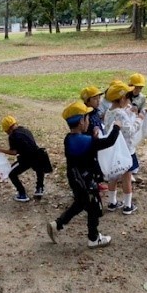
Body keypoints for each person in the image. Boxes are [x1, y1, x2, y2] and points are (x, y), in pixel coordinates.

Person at [46, 101, 123, 249]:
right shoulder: (85, 141)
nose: (88, 121)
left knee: (81, 203)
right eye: (87, 118)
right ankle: (93, 238)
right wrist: (117, 127)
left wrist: (92, 137)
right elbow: (109, 142)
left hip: (75, 178)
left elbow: (86, 147)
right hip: (86, 181)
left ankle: (57, 224)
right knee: (93, 207)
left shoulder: (70, 138)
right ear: (81, 121)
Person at [103, 82, 145, 215]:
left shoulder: (109, 112)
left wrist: (127, 111)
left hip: (112, 150)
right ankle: (127, 205)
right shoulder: (121, 114)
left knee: (113, 176)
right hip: (125, 150)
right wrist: (139, 119)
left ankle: (112, 202)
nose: (129, 100)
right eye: (128, 97)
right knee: (127, 177)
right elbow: (130, 130)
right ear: (122, 99)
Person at [0, 116, 47, 202]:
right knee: (39, 169)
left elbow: (14, 152)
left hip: (26, 159)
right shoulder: (26, 130)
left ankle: (22, 194)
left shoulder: (13, 136)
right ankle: (39, 188)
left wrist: (0, 150)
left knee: (11, 174)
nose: (7, 133)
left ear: (8, 129)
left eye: (6, 131)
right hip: (38, 155)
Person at [81, 86, 108, 192]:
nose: (98, 101)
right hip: (89, 143)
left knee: (97, 163)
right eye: (95, 99)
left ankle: (96, 182)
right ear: (87, 101)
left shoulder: (95, 110)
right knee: (90, 165)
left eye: (99, 98)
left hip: (97, 141)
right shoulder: (85, 113)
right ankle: (88, 184)